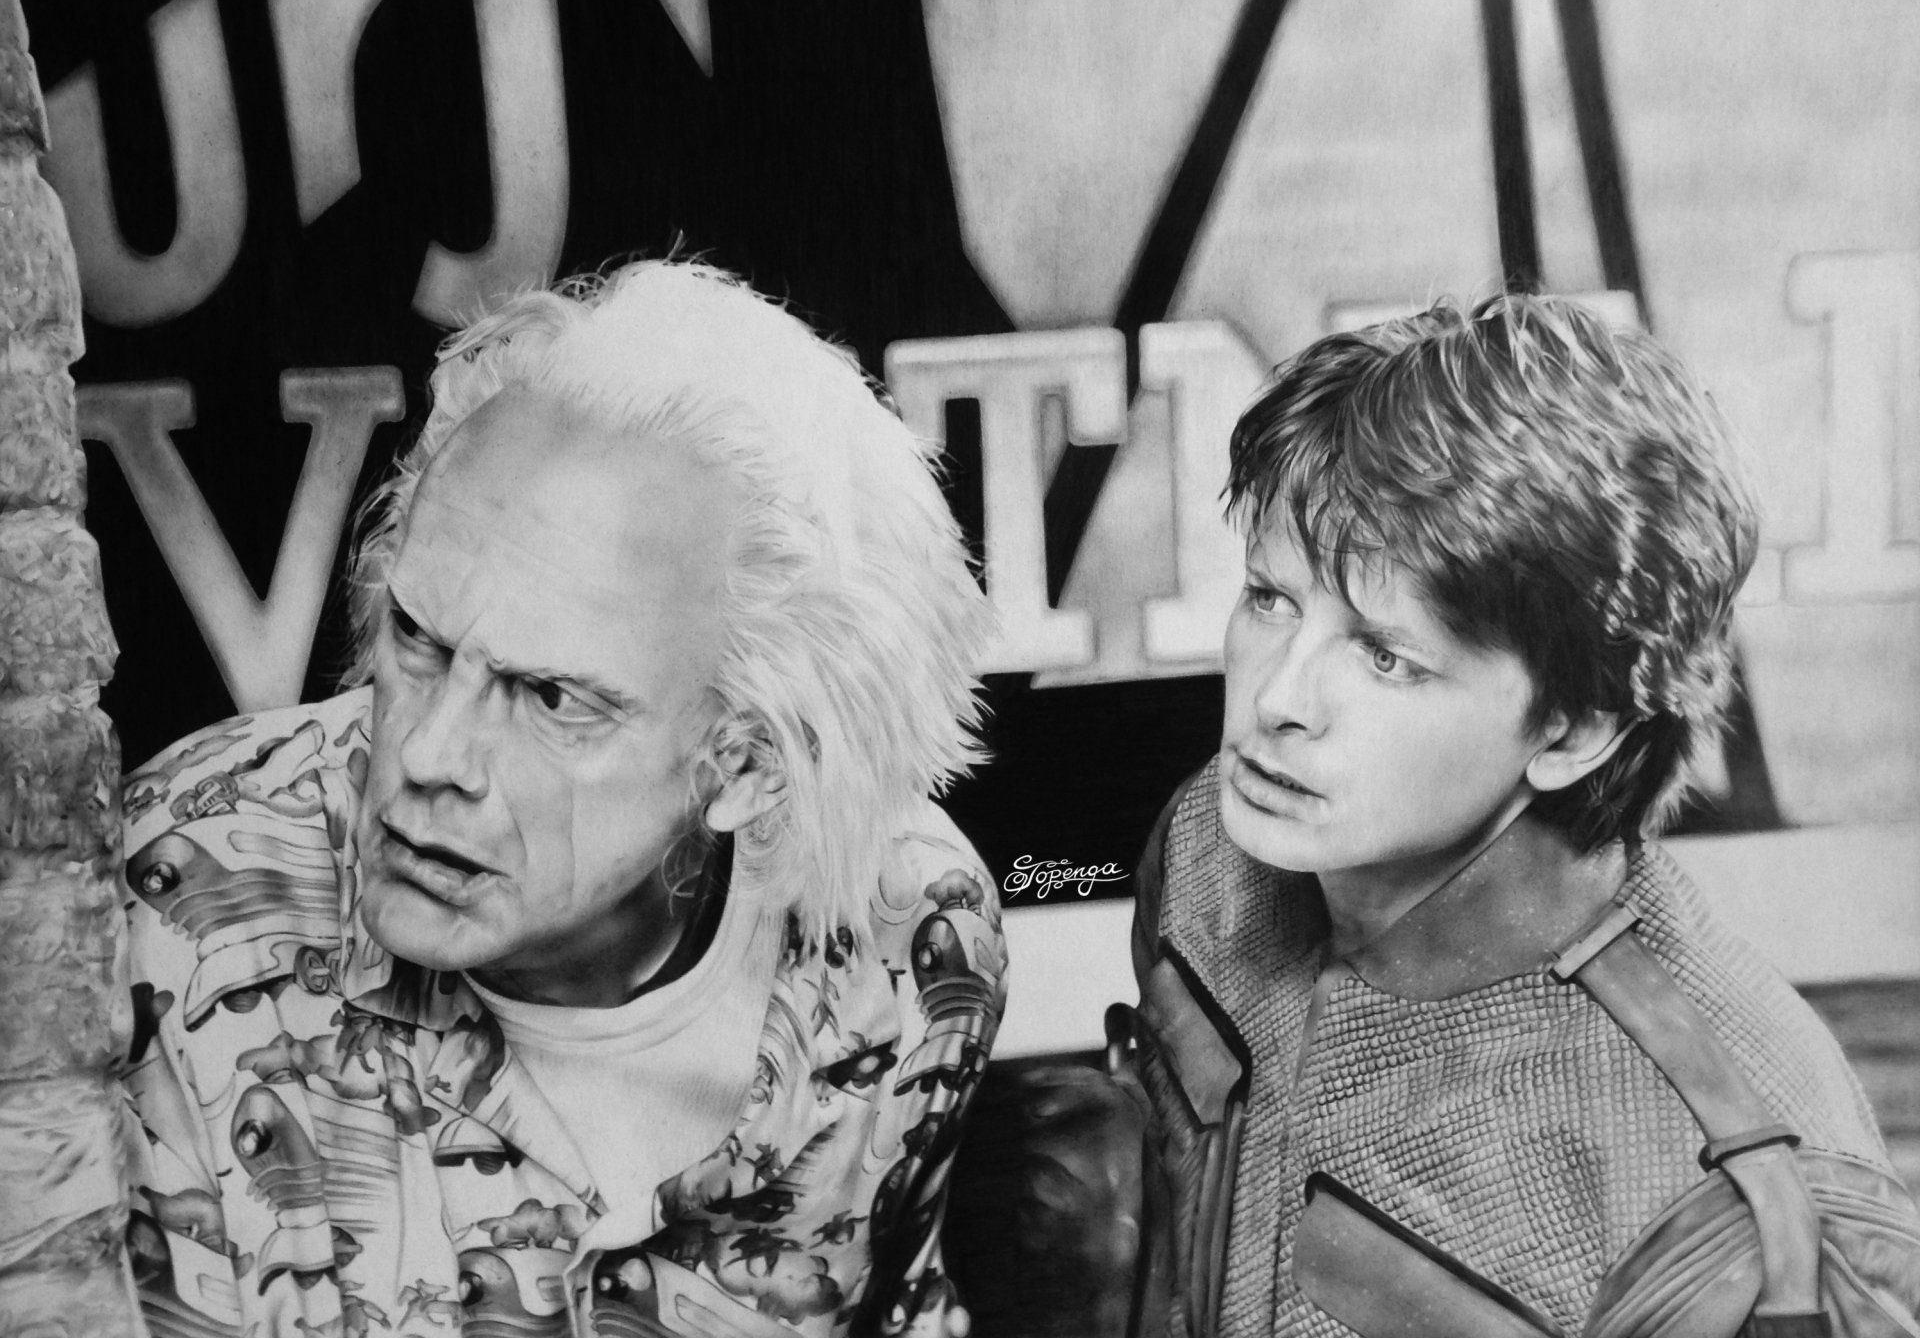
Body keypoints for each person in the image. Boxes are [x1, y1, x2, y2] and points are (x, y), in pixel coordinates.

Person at [114, 260, 1007, 1338]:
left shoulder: (908, 941)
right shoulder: (182, 901)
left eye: (551, 698)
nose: (428, 753)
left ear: (747, 766)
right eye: (419, 639)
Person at [1120, 295, 1920, 1336]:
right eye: (1271, 600)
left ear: (1572, 731)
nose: (1277, 701)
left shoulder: (1748, 1205)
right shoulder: (1210, 849)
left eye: (1385, 657)